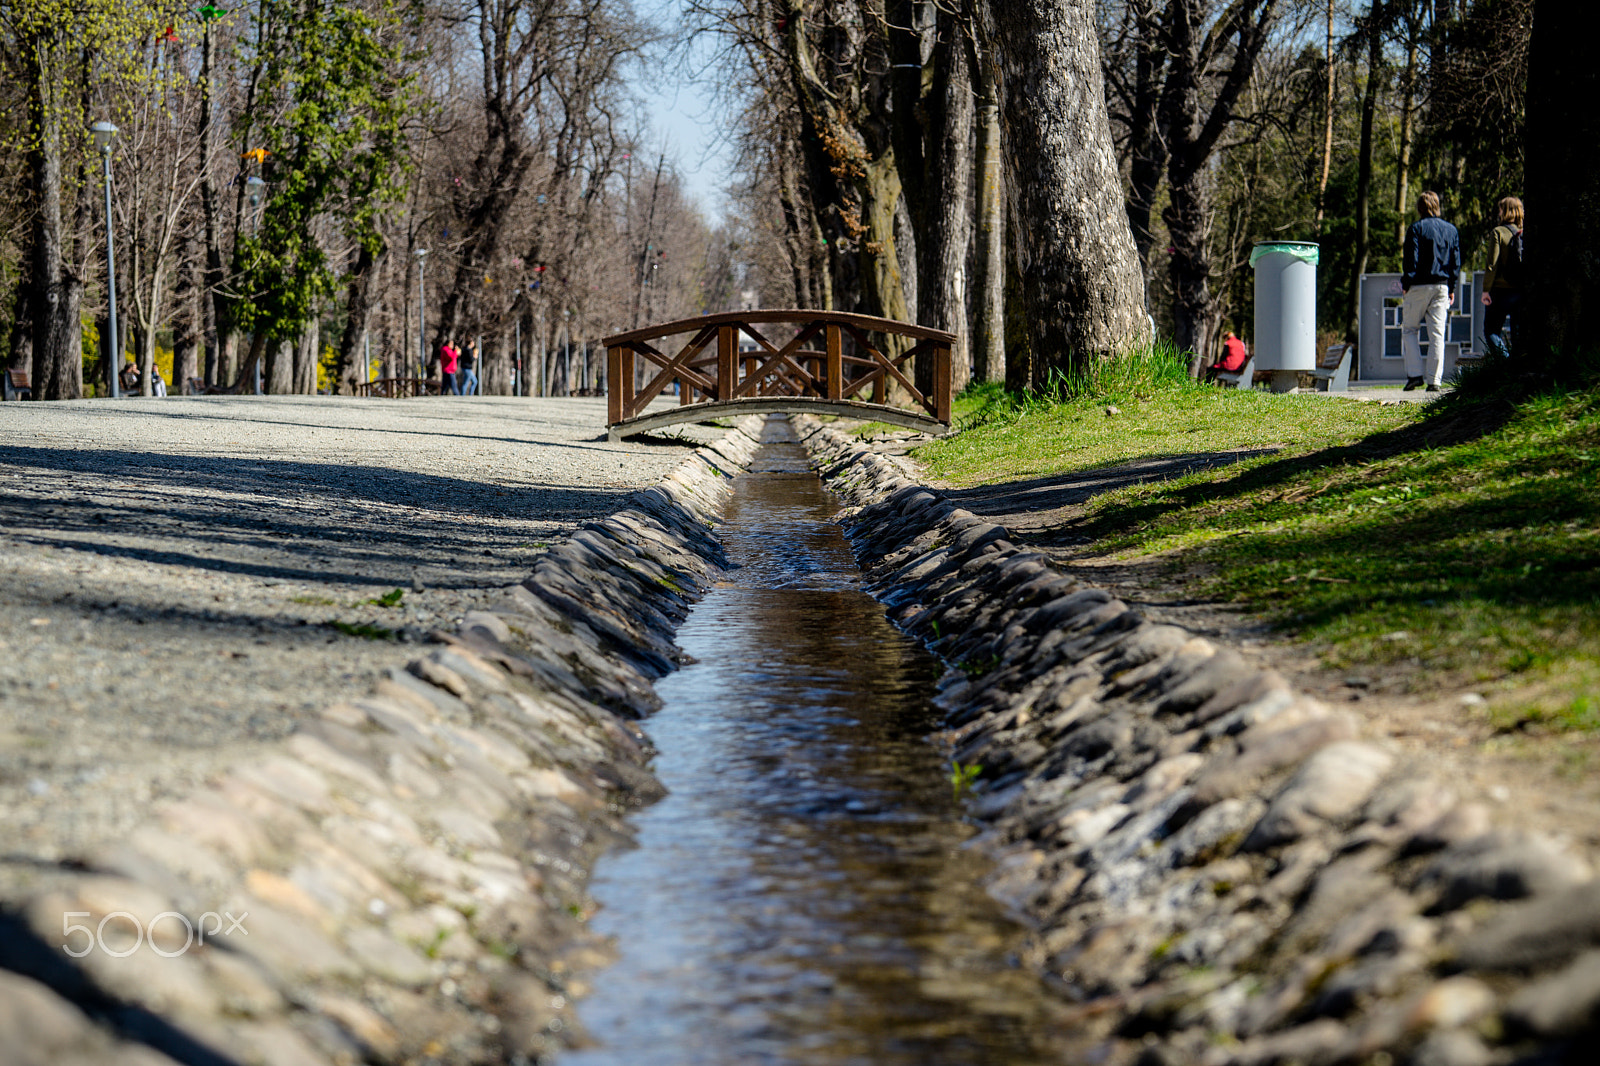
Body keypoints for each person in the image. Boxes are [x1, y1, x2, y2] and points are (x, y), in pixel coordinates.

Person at [1400, 190, 1462, 393]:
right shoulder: (1451, 230)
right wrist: (1451, 287)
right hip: (1442, 285)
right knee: (1437, 334)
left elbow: (1411, 258)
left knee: (1410, 329)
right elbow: (1455, 263)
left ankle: (1415, 375)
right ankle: (1434, 380)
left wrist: (1406, 283)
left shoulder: (1416, 229)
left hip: (1418, 285)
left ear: (1419, 207)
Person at [1479, 195, 1524, 357]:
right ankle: (1518, 369)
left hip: (1500, 291)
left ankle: (1506, 365)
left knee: (1491, 331)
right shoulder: (1524, 233)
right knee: (1518, 336)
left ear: (1505, 211)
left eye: (1500, 209)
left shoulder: (1498, 232)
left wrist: (1486, 290)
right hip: (1521, 291)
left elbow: (1492, 264)